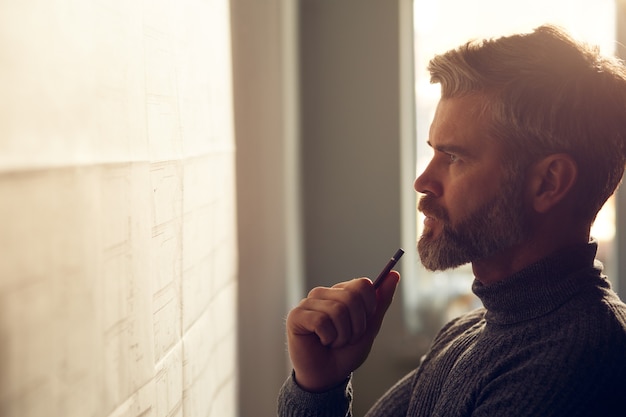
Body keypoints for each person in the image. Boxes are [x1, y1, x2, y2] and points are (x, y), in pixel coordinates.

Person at [277, 24, 626, 416]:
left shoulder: (568, 368)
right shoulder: (474, 330)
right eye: (433, 153)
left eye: (454, 157)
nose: (422, 182)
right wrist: (319, 382)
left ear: (548, 182)